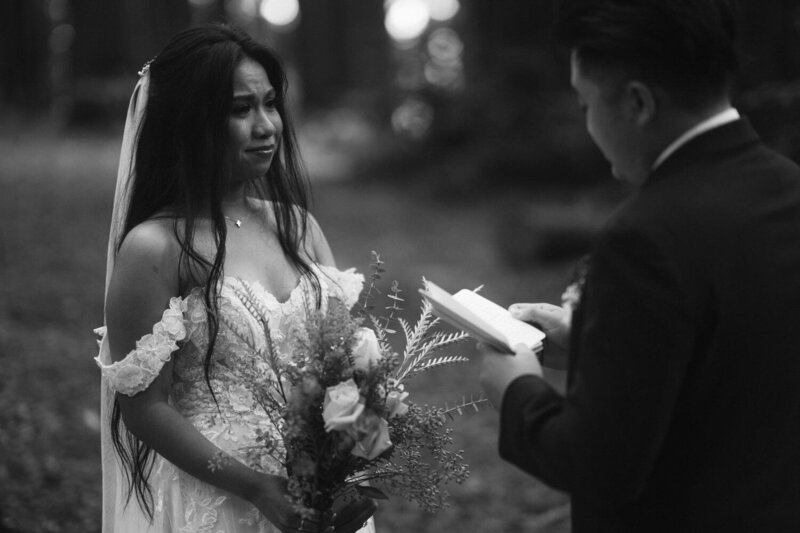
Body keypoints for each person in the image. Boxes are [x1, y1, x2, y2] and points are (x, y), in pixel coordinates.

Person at [478, 1, 800, 531]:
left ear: (636, 103)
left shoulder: (646, 237)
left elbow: (600, 463)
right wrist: (592, 342)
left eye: (585, 103)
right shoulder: (787, 187)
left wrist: (516, 391)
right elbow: (738, 358)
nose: (587, 123)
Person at [94, 25, 376, 533]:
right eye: (241, 109)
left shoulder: (298, 226)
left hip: (319, 496)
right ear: (188, 122)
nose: (267, 125)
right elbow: (144, 408)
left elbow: (345, 362)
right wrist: (253, 486)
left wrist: (354, 454)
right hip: (217, 501)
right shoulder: (155, 249)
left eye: (270, 104)